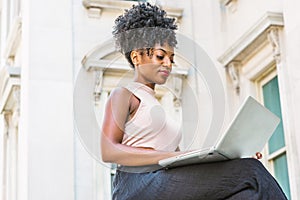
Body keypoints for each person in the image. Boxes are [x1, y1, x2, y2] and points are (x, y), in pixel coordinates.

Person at [101, 3, 287, 200]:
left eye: (171, 58)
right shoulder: (124, 94)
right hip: (136, 184)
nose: (168, 64)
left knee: (247, 194)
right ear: (137, 57)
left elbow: (181, 165)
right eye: (160, 56)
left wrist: (228, 158)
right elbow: (108, 149)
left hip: (161, 180)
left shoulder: (159, 111)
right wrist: (166, 156)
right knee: (252, 171)